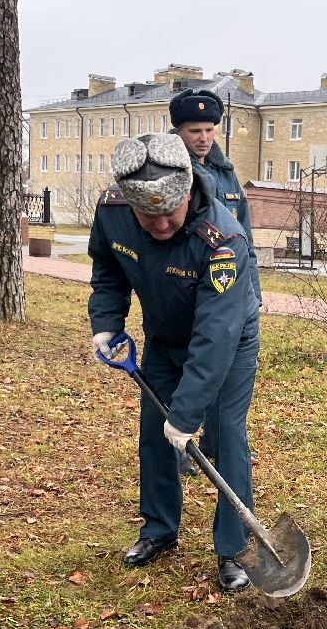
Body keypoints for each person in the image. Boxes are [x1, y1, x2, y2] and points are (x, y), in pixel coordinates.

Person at [88, 133, 259, 592]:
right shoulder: (112, 211)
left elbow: (215, 338)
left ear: (186, 192)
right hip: (163, 338)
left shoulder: (224, 240)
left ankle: (234, 548)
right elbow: (107, 270)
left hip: (228, 342)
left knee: (225, 439)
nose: (161, 224)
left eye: (169, 212)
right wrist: (106, 322)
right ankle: (158, 530)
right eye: (149, 215)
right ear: (129, 203)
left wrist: (187, 416)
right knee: (154, 437)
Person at [167, 88, 260, 477]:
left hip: (229, 291)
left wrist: (252, 293)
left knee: (224, 374)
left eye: (208, 129)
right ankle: (178, 450)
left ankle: (216, 448)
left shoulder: (226, 172)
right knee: (189, 371)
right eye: (194, 131)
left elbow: (244, 237)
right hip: (187, 292)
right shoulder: (170, 170)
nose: (203, 138)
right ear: (178, 131)